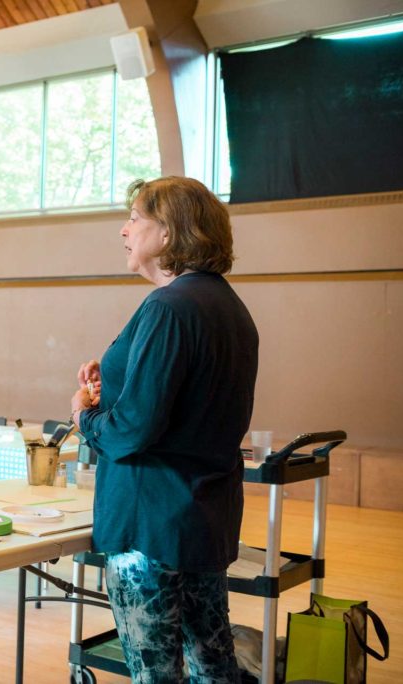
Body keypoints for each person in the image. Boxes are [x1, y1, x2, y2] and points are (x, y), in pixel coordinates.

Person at [71, 176, 258, 682]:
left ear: (170, 233)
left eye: (135, 218)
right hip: (202, 517)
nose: (124, 230)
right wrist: (115, 386)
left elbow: (134, 429)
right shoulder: (230, 308)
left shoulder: (167, 306)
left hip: (150, 525)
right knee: (212, 665)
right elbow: (181, 406)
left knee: (156, 673)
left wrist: (84, 415)